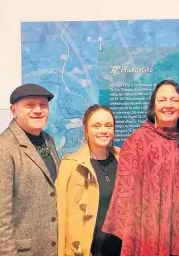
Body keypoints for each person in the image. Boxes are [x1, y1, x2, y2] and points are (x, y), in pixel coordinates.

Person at [102, 80, 179, 256]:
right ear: (153, 106)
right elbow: (125, 192)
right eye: (162, 100)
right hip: (148, 231)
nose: (168, 105)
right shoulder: (137, 140)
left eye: (174, 100)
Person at [0, 83, 60, 256]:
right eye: (30, 105)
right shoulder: (0, 151)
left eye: (43, 105)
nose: (38, 110)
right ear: (13, 110)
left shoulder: (48, 140)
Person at [56, 104, 121, 256]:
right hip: (86, 250)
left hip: (119, 248)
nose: (103, 130)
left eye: (108, 125)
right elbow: (61, 215)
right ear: (86, 130)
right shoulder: (71, 165)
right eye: (96, 126)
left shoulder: (123, 160)